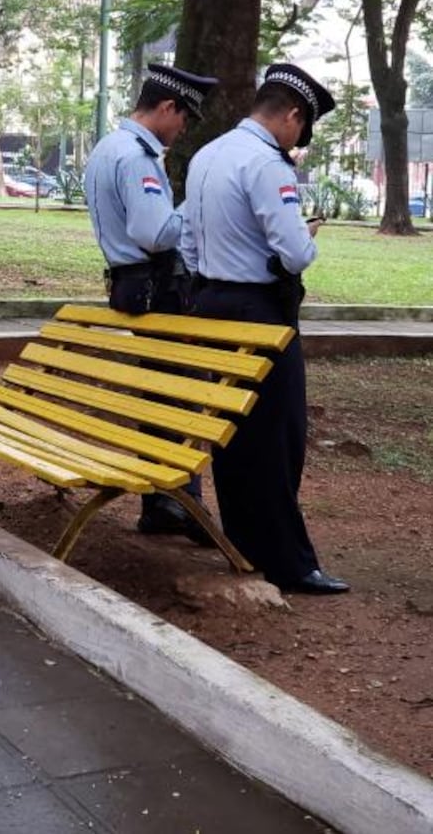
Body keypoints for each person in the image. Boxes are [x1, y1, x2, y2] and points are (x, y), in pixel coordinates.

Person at [179, 63, 350, 594]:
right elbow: (295, 254)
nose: (299, 141)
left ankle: (245, 543)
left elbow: (186, 239)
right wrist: (309, 234)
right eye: (302, 129)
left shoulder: (208, 154)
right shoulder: (267, 164)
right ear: (293, 116)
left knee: (232, 435)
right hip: (259, 313)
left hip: (210, 301)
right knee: (277, 437)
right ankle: (289, 563)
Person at [84, 63, 219, 541]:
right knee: (181, 396)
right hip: (159, 288)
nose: (182, 129)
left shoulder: (108, 147)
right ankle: (185, 505)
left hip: (133, 285)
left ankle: (163, 504)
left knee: (160, 392)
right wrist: (195, 204)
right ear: (166, 107)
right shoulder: (138, 157)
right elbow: (156, 232)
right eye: (183, 118)